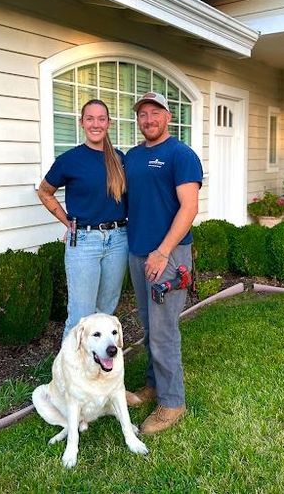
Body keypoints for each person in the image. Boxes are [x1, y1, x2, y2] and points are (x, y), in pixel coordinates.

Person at [124, 91, 203, 435]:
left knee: (164, 330)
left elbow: (189, 208)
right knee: (149, 325)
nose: (149, 119)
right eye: (143, 114)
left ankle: (172, 402)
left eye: (155, 112)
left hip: (167, 256)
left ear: (168, 117)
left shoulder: (181, 155)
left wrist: (162, 251)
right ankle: (153, 386)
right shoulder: (132, 156)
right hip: (137, 252)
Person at [38, 99, 128, 341]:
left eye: (101, 119)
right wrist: (67, 221)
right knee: (81, 316)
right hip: (84, 241)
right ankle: (68, 376)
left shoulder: (119, 159)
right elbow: (44, 191)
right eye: (90, 118)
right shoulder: (70, 159)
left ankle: (97, 370)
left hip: (118, 240)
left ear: (109, 123)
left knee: (106, 313)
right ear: (82, 123)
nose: (95, 124)